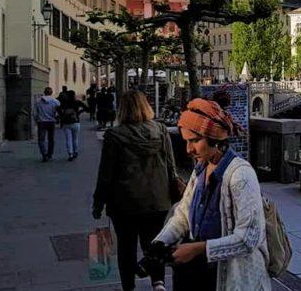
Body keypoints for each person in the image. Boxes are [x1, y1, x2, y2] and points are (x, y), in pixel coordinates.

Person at [154, 98, 269, 291]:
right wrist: (160, 242)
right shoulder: (200, 168)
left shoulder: (241, 175)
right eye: (186, 141)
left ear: (215, 139)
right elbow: (183, 214)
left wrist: (198, 249)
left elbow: (248, 238)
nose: (188, 149)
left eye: (194, 141)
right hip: (197, 275)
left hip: (229, 279)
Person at [92, 91, 179, 291]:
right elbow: (170, 166)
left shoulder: (114, 136)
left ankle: (129, 287)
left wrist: (98, 203)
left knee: (126, 248)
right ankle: (158, 283)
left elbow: (105, 174)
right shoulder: (160, 130)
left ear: (122, 109)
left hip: (124, 203)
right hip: (157, 200)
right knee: (155, 243)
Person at [58, 90, 88, 161]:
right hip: (76, 122)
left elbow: (58, 110)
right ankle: (75, 152)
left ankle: (70, 154)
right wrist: (79, 113)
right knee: (75, 139)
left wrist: (62, 116)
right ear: (74, 95)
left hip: (66, 123)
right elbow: (87, 109)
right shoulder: (77, 102)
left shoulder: (64, 103)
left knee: (68, 139)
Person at [33, 87, 61, 162]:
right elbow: (57, 113)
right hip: (51, 122)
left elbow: (35, 113)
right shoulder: (56, 102)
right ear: (51, 93)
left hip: (41, 122)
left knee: (41, 139)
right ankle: (50, 154)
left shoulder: (38, 101)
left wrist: (36, 120)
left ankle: (44, 154)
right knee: (51, 139)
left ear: (44, 92)